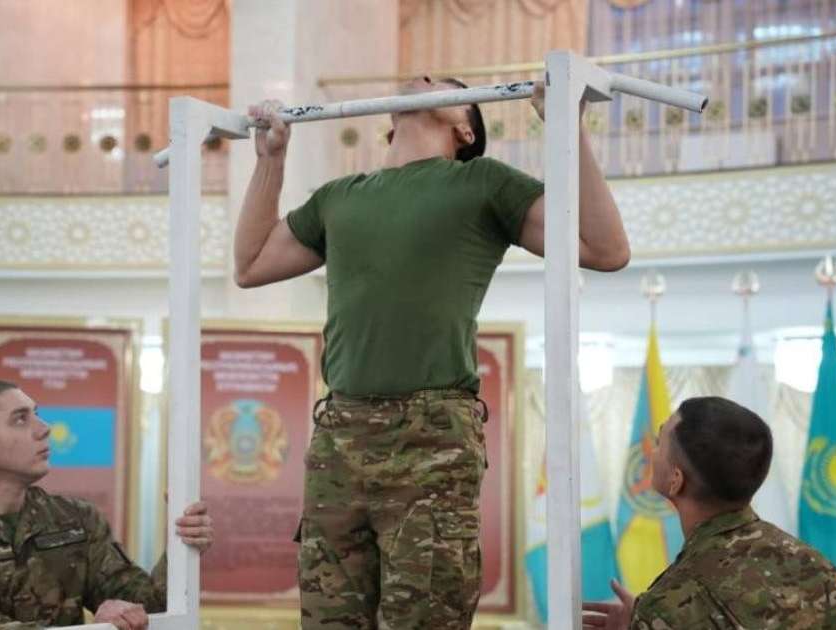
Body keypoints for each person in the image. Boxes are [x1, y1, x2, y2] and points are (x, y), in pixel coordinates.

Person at [234, 76, 629, 628]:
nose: (423, 79)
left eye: (445, 85)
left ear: (465, 128)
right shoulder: (340, 195)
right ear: (389, 119)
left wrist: (568, 129)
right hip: (340, 434)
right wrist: (270, 160)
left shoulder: (480, 183)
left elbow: (606, 248)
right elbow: (251, 264)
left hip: (432, 437)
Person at [0, 380, 213, 630]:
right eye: (21, 419)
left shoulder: (75, 521)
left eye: (36, 413)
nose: (44, 428)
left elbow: (152, 605)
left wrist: (182, 542)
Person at [582, 396, 836, 630]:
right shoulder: (817, 567)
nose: (652, 453)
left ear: (676, 479)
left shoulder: (670, 603)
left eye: (659, 442)